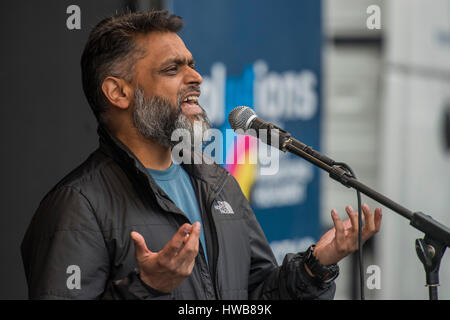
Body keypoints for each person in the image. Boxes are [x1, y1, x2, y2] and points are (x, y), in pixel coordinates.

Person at [21, 11, 382, 300]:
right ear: (118, 92)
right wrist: (145, 289)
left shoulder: (216, 181)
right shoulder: (77, 205)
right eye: (172, 69)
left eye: (191, 64)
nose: (196, 78)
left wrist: (315, 267)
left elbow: (258, 293)